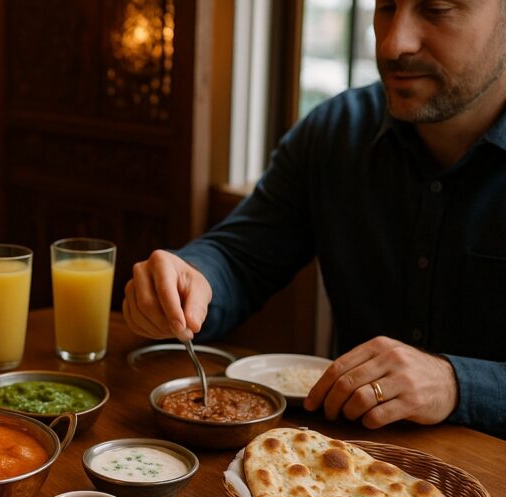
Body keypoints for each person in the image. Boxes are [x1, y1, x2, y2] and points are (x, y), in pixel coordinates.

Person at [123, 0, 506, 436]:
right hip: (340, 472)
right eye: (386, 7)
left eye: (436, 9)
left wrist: (456, 383)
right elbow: (240, 258)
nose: (394, 42)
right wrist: (186, 281)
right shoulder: (336, 131)